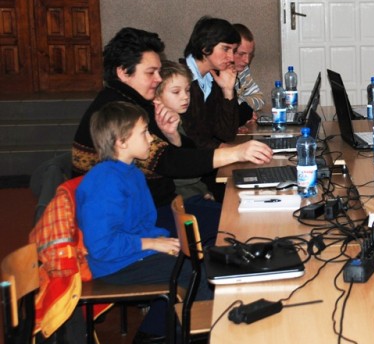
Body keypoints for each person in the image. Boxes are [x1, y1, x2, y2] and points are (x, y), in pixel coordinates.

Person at [72, 27, 273, 240]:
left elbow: (182, 153)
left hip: (157, 207)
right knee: (242, 223)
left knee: (242, 213)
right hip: (136, 224)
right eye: (150, 73)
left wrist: (172, 137)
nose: (158, 79)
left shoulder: (134, 101)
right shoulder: (117, 111)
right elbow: (169, 161)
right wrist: (237, 153)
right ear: (123, 72)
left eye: (159, 72)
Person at [75, 101, 212, 344]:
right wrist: (152, 244)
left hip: (134, 253)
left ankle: (177, 340)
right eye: (144, 132)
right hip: (115, 264)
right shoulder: (105, 182)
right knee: (196, 271)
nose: (151, 138)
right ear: (121, 142)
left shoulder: (132, 173)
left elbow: (143, 223)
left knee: (206, 258)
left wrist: (159, 241)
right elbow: (102, 245)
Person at [153, 60, 214, 202]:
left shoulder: (179, 119)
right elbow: (188, 175)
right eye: (176, 92)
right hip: (181, 200)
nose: (185, 96)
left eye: (187, 90)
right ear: (156, 96)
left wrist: (205, 191)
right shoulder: (157, 126)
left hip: (194, 193)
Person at [181, 16, 241, 149]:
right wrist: (230, 151)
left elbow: (227, 135)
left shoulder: (214, 80)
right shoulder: (178, 80)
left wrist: (227, 91)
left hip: (208, 157)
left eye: (233, 51)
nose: (231, 57)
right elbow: (190, 137)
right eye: (225, 49)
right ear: (205, 46)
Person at [232, 23, 266, 125]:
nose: (246, 60)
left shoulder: (243, 70)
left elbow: (260, 98)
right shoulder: (214, 75)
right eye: (241, 54)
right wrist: (243, 109)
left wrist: (242, 106)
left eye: (250, 55)